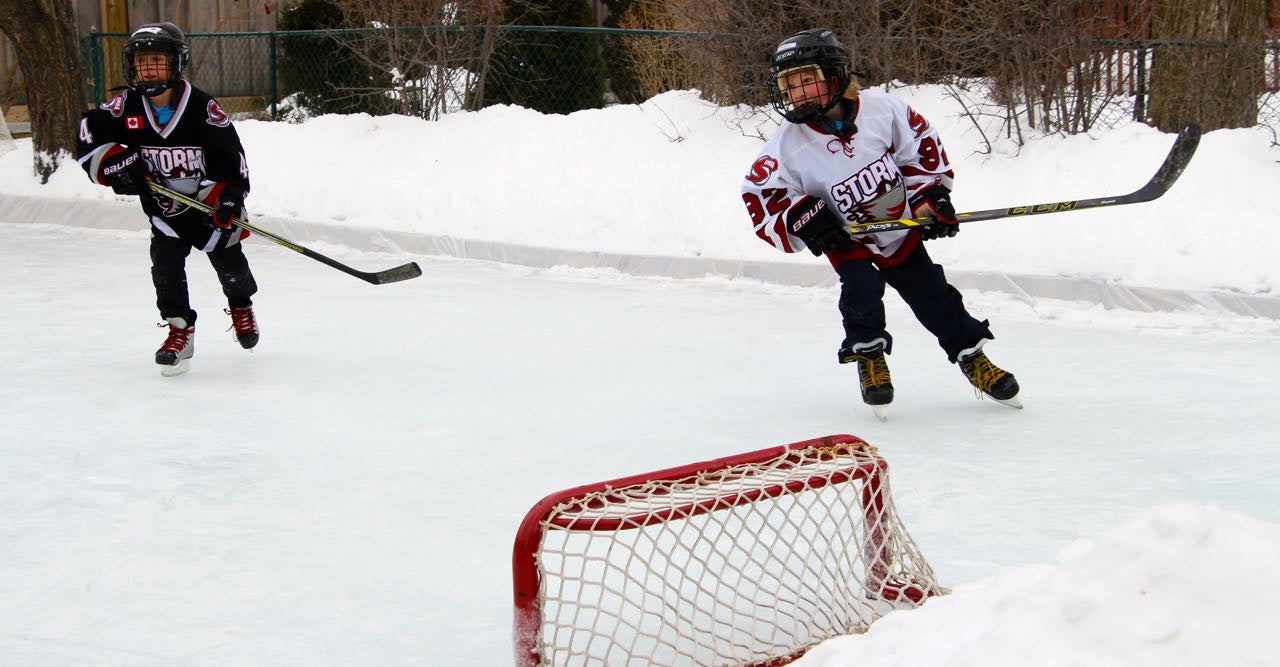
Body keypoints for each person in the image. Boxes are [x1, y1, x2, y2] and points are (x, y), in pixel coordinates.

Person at [741, 28, 1020, 419]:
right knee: (861, 289)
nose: (798, 93)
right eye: (790, 85)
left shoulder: (883, 110)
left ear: (835, 75)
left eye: (808, 80)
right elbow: (763, 195)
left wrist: (931, 199)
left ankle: (972, 357)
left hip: (896, 226)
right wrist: (805, 217)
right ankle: (869, 355)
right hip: (847, 237)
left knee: (932, 293)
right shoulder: (786, 145)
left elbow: (919, 154)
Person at [75, 22, 259, 377]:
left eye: (156, 61)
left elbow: (230, 156)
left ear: (177, 63)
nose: (148, 70)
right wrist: (117, 167)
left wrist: (230, 198)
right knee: (165, 270)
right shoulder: (123, 107)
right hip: (165, 212)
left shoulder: (203, 108)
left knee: (230, 262)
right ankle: (179, 329)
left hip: (209, 208)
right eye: (141, 63)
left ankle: (241, 305)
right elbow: (87, 136)